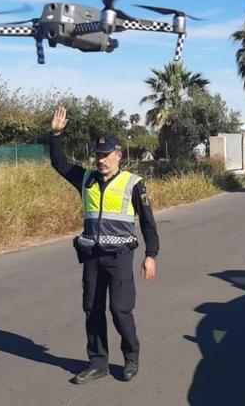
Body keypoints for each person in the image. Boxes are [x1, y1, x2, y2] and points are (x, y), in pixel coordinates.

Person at [49, 106, 159, 385]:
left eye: (106, 155)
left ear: (118, 156)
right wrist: (56, 134)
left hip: (120, 257)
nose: (100, 160)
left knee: (120, 310)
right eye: (98, 155)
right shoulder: (85, 179)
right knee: (92, 309)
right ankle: (98, 363)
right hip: (91, 256)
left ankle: (131, 357)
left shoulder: (133, 184)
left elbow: (147, 223)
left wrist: (150, 255)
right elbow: (59, 163)